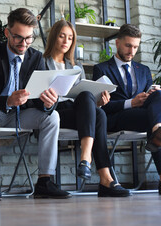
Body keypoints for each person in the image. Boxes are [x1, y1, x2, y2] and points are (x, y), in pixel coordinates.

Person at [0, 8, 71, 200]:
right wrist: (7, 101)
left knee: (53, 116)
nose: (24, 43)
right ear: (7, 32)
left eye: (29, 38)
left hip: (22, 115)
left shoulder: (36, 58)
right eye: (18, 38)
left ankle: (44, 181)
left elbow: (38, 100)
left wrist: (49, 103)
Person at [44, 20, 130, 197]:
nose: (66, 41)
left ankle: (92, 166)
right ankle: (98, 170)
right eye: (62, 36)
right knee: (95, 111)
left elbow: (84, 100)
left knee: (96, 108)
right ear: (54, 37)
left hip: (78, 111)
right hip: (54, 111)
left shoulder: (77, 66)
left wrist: (98, 102)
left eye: (70, 38)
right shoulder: (41, 61)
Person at [93, 24, 161, 194]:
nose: (132, 51)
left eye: (136, 47)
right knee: (154, 121)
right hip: (116, 118)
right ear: (117, 43)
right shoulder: (101, 69)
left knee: (158, 95)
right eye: (128, 45)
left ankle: (157, 130)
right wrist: (131, 102)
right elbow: (103, 106)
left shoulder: (144, 70)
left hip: (142, 117)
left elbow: (149, 102)